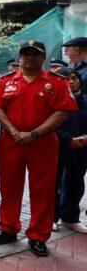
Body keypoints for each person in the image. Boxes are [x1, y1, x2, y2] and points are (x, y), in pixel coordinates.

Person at [0, 40, 76, 257]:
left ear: (43, 58)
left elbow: (62, 112)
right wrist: (14, 132)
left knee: (43, 191)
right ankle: (7, 228)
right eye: (25, 54)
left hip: (43, 143)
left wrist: (34, 133)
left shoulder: (56, 82)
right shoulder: (6, 81)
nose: (29, 58)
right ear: (20, 57)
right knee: (9, 187)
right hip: (11, 142)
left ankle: (37, 235)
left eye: (35, 54)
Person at [53, 68, 87, 233]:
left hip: (81, 148)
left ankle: (69, 218)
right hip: (58, 147)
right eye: (66, 79)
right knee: (53, 184)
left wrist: (84, 138)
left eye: (74, 78)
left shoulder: (85, 100)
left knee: (76, 184)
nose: (72, 82)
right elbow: (49, 125)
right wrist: (69, 140)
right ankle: (51, 218)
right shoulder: (52, 101)